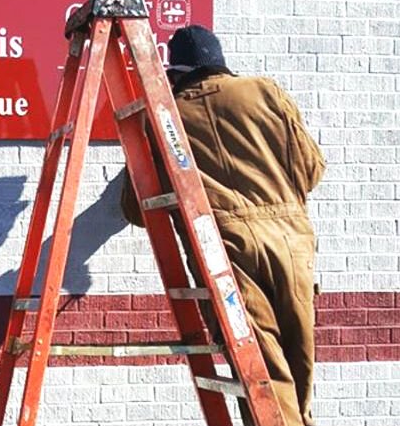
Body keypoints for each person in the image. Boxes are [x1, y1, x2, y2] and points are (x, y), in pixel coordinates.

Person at [120, 25, 324, 426]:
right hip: (292, 240)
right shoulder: (266, 92)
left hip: (225, 248)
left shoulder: (164, 116)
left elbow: (136, 209)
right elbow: (311, 170)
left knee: (262, 370)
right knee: (300, 362)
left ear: (174, 74)